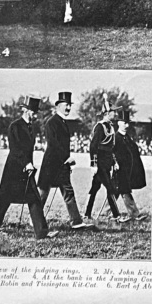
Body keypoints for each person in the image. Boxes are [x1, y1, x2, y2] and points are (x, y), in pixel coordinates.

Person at [0, 96, 57, 239]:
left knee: (34, 199)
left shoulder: (32, 127)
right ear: (25, 110)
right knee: (4, 199)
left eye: (36, 112)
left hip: (27, 169)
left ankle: (41, 232)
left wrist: (29, 164)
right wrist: (26, 163)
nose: (35, 115)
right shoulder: (15, 126)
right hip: (13, 169)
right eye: (33, 112)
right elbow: (15, 148)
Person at [37, 91, 90, 229]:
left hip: (62, 165)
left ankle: (76, 222)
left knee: (68, 192)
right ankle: (35, 219)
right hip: (51, 164)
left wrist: (66, 160)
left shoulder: (63, 122)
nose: (68, 108)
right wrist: (67, 157)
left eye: (70, 105)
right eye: (66, 105)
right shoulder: (51, 122)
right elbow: (53, 144)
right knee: (43, 192)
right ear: (58, 106)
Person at [84, 103, 128, 223]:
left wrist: (114, 162)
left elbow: (110, 148)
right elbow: (93, 146)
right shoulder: (100, 127)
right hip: (100, 164)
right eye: (113, 112)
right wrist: (93, 164)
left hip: (107, 163)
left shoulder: (110, 127)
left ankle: (86, 213)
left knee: (94, 189)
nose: (115, 114)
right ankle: (116, 215)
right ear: (107, 113)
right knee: (110, 188)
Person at [114, 110, 147, 220]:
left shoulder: (128, 138)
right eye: (124, 123)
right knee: (121, 190)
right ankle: (134, 214)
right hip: (118, 169)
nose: (127, 125)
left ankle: (109, 212)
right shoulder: (115, 138)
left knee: (120, 190)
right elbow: (110, 153)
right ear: (119, 123)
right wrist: (114, 163)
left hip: (127, 169)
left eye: (128, 123)